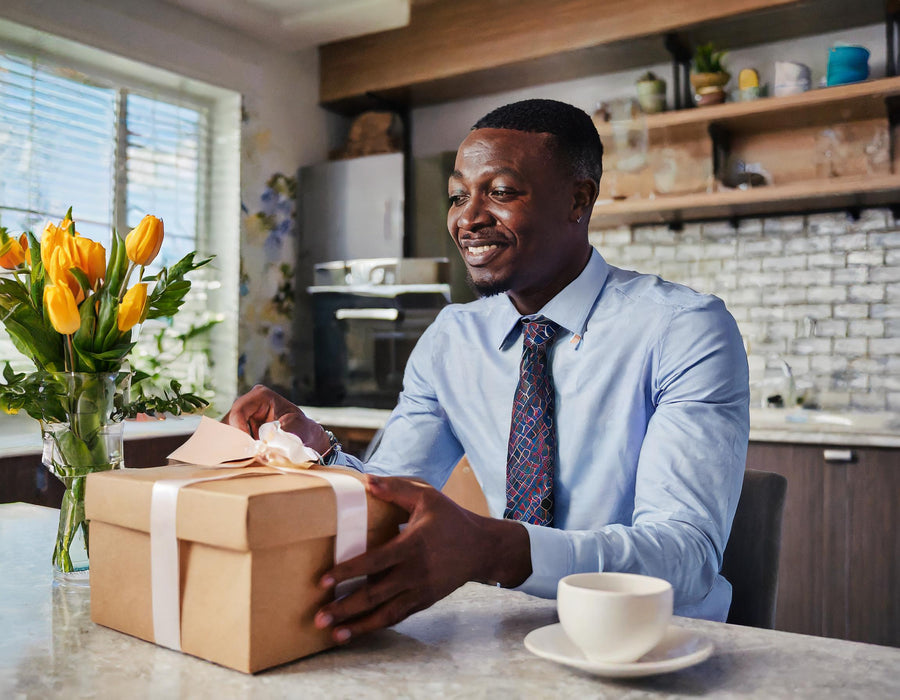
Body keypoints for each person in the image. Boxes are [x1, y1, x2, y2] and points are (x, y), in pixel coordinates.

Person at [225, 98, 750, 645]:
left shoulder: (685, 329)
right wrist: (321, 450)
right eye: (457, 196)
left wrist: (495, 547)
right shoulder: (453, 339)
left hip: (650, 646)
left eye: (499, 192)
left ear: (578, 199)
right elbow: (391, 496)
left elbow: (686, 556)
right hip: (507, 635)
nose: (467, 218)